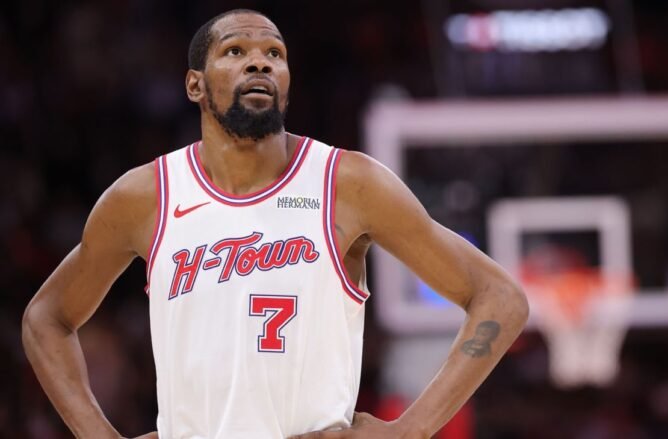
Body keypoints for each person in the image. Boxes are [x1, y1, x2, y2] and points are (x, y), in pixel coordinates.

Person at [21, 9, 529, 439]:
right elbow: (46, 318)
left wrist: (411, 430)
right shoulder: (145, 196)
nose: (260, 61)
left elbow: (500, 297)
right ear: (195, 85)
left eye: (274, 54)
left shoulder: (346, 183)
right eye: (235, 51)